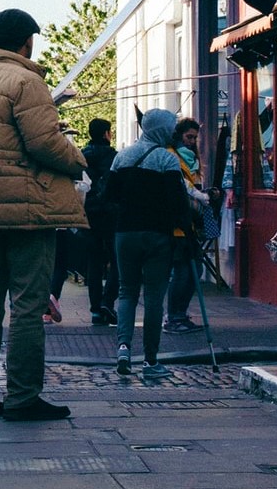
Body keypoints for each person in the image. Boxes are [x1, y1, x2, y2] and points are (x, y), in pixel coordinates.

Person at [0, 8, 89, 423]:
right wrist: (78, 158)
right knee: (28, 306)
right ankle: (22, 396)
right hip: (26, 209)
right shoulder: (26, 81)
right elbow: (44, 143)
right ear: (28, 41)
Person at [110, 108, 192, 381]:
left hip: (125, 233)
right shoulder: (166, 160)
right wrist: (188, 234)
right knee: (155, 296)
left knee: (126, 292)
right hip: (157, 235)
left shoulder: (122, 157)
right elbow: (179, 203)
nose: (172, 132)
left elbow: (108, 194)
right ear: (161, 130)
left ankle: (123, 347)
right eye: (170, 127)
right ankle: (150, 359)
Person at [162, 118, 210, 332]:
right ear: (179, 135)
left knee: (194, 269)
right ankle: (174, 316)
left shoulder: (191, 159)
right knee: (184, 270)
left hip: (189, 222)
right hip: (177, 223)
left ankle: (179, 313)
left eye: (194, 138)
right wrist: (198, 195)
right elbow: (183, 185)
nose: (191, 142)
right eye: (188, 137)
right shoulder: (172, 155)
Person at [81, 117, 119, 324]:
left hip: (89, 212)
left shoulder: (82, 156)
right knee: (116, 261)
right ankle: (108, 301)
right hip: (110, 213)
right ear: (106, 133)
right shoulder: (114, 157)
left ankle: (95, 308)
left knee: (94, 262)